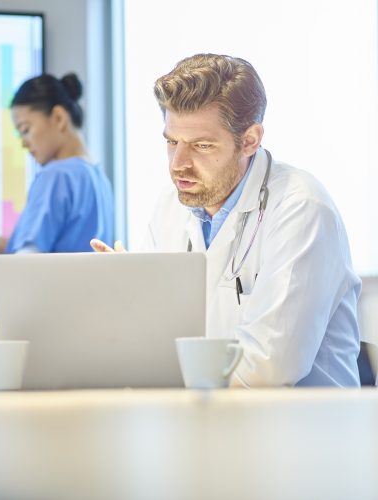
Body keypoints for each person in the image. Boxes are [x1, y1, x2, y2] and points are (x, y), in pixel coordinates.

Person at [91, 54, 361, 387]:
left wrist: (158, 355)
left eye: (201, 145)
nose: (179, 163)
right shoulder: (171, 204)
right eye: (171, 142)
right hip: (202, 420)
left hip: (297, 430)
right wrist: (133, 298)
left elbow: (267, 368)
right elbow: (159, 342)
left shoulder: (302, 208)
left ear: (249, 140)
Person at [0, 72, 114, 280]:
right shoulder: (97, 176)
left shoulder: (56, 176)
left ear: (58, 118)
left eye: (25, 130)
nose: (23, 143)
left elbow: (25, 265)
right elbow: (48, 251)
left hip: (46, 310)